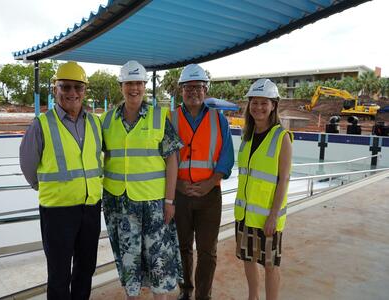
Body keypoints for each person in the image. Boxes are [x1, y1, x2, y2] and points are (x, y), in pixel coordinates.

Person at [19, 61, 103, 300]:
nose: (72, 93)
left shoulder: (95, 123)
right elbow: (28, 166)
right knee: (59, 274)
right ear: (55, 89)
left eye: (78, 87)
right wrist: (49, 188)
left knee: (85, 269)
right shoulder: (41, 124)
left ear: (85, 90)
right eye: (65, 87)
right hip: (57, 212)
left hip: (90, 208)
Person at [100, 60, 183, 299]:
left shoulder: (158, 117)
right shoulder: (106, 121)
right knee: (129, 263)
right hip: (120, 204)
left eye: (138, 83)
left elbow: (172, 160)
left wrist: (169, 201)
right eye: (129, 83)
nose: (133, 88)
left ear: (145, 85)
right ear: (121, 86)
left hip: (154, 204)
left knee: (159, 262)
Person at [171, 64, 234, 300]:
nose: (193, 92)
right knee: (182, 247)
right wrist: (177, 185)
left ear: (205, 90)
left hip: (209, 196)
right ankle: (185, 291)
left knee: (207, 251)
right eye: (188, 87)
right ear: (181, 90)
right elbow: (163, 158)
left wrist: (211, 182)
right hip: (180, 194)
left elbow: (227, 157)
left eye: (198, 87)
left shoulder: (220, 121)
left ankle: (203, 296)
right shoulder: (171, 119)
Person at [234, 78, 293, 300]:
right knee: (248, 260)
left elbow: (283, 180)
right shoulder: (246, 137)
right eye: (254, 102)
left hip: (268, 217)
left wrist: (273, 215)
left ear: (273, 105)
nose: (259, 107)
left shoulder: (281, 138)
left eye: (264, 102)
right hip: (246, 214)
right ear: (249, 105)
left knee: (270, 265)